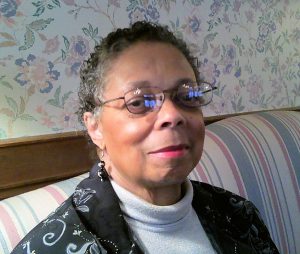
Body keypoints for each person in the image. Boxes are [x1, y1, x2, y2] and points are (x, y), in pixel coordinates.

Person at [11, 21, 279, 254]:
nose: (172, 115)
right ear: (95, 128)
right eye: (138, 102)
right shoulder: (50, 246)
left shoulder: (240, 216)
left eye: (187, 96)